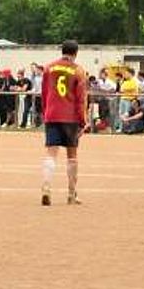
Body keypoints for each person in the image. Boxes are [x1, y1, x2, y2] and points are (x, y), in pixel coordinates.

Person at [41, 40, 88, 206]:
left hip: (52, 114)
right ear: (76, 53)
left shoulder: (49, 68)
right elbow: (81, 99)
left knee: (51, 153)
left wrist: (45, 112)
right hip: (71, 117)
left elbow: (44, 93)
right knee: (72, 156)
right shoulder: (78, 70)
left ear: (62, 51)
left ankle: (46, 187)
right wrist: (83, 121)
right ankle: (71, 193)